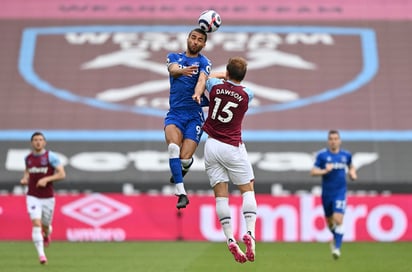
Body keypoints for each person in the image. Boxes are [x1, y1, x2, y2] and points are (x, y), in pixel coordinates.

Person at [196, 57, 257, 263]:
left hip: (211, 145)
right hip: (232, 147)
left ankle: (230, 237)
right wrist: (232, 77)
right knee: (247, 188)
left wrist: (222, 75)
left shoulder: (214, 87)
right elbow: (239, 86)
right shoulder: (248, 94)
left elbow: (206, 78)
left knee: (220, 195)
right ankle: (250, 233)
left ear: (227, 72)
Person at [165, 28, 212, 209]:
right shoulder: (174, 57)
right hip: (175, 114)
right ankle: (182, 193)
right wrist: (183, 71)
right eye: (193, 38)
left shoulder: (204, 62)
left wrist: (198, 94)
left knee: (184, 159)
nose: (195, 42)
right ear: (187, 39)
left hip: (194, 116)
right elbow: (173, 70)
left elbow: (202, 80)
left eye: (199, 40)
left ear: (204, 44)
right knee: (172, 148)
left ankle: (183, 167)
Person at [310, 130, 357, 260]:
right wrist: (325, 170)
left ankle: (337, 248)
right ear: (328, 141)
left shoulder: (346, 155)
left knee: (338, 219)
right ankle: (335, 237)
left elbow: (351, 166)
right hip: (327, 194)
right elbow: (313, 172)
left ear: (340, 140)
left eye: (336, 138)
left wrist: (353, 173)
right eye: (331, 139)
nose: (333, 141)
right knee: (330, 223)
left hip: (340, 192)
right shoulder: (322, 156)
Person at [20, 132, 66, 265]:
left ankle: (46, 234)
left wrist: (47, 179)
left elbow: (62, 174)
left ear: (44, 142)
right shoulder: (28, 158)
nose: (38, 142)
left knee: (45, 226)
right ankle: (42, 256)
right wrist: (25, 179)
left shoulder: (50, 157)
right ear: (32, 143)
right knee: (36, 223)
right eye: (35, 140)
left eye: (40, 140)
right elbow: (27, 171)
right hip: (33, 196)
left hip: (48, 198)